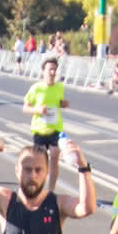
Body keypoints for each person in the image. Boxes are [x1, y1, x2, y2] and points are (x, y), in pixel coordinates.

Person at [23, 57, 70, 191]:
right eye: (50, 69)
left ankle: (51, 191)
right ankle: (39, 188)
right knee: (41, 162)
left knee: (55, 157)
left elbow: (59, 102)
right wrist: (37, 110)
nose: (52, 72)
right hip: (40, 130)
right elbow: (25, 108)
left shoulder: (60, 87)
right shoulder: (36, 88)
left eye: (54, 70)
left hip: (55, 128)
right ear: (43, 71)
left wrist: (63, 104)